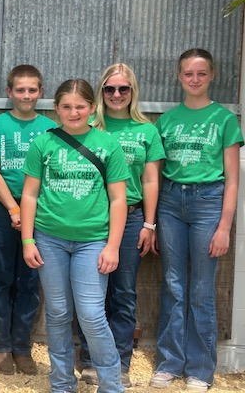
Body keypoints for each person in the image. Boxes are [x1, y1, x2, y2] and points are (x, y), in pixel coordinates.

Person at [22, 79, 130, 393]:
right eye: (66, 107)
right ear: (56, 109)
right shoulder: (44, 143)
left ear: (92, 108)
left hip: (93, 241)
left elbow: (118, 199)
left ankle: (111, 385)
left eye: (80, 106)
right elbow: (29, 194)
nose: (73, 112)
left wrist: (112, 246)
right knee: (57, 312)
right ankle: (61, 383)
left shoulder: (107, 144)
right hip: (49, 239)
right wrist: (28, 239)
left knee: (92, 314)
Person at [149, 49, 243, 392]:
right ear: (179, 77)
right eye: (188, 73)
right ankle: (170, 362)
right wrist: (154, 222)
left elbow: (233, 178)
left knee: (202, 289)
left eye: (201, 73)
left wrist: (224, 226)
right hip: (172, 202)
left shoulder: (224, 119)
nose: (194, 79)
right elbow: (156, 176)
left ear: (212, 75)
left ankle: (201, 369)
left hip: (208, 202)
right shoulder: (168, 121)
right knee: (173, 283)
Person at [78, 64, 165, 388]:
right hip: (92, 218)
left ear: (133, 92)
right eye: (109, 89)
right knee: (90, 294)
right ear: (100, 92)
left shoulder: (147, 131)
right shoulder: (88, 127)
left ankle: (120, 363)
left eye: (123, 89)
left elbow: (151, 178)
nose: (116, 95)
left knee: (124, 293)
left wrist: (149, 223)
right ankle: (88, 360)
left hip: (130, 219)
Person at [0, 64, 57, 375]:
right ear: (10, 92)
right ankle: (1, 346)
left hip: (39, 213)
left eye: (32, 90)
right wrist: (13, 208)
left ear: (41, 92)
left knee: (30, 281)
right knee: (1, 279)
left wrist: (27, 212)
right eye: (20, 89)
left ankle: (22, 347)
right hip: (3, 210)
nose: (26, 95)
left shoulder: (51, 128)